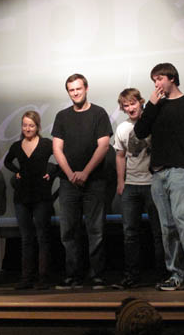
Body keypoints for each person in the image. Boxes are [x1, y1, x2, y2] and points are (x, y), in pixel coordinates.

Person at [134, 63, 184, 292]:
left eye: (159, 78)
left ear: (172, 78)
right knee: (167, 227)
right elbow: (140, 132)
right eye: (154, 80)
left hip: (183, 170)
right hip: (159, 173)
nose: (157, 84)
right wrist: (150, 104)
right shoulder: (155, 107)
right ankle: (178, 275)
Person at [52, 73, 113, 290]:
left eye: (78, 88)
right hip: (68, 183)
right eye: (71, 90)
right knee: (69, 231)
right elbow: (57, 148)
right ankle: (73, 276)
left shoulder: (98, 113)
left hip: (94, 180)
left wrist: (85, 172)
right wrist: (70, 174)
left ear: (86, 88)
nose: (75, 93)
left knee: (96, 230)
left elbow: (104, 146)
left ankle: (97, 276)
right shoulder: (62, 116)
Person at [112, 88, 165, 289]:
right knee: (130, 233)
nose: (130, 108)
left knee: (159, 232)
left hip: (153, 183)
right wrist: (120, 181)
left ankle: (162, 273)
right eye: (126, 105)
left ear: (141, 102)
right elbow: (119, 156)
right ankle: (132, 275)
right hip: (131, 185)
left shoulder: (153, 121)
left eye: (133, 103)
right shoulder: (122, 128)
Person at [4, 111, 57, 290]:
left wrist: (52, 172)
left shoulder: (46, 144)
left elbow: (61, 160)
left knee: (43, 237)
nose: (27, 128)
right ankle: (26, 277)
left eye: (31, 125)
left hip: (41, 195)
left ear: (37, 127)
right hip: (22, 196)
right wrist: (16, 172)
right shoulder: (17, 146)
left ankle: (43, 278)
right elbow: (7, 162)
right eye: (25, 125)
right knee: (26, 238)